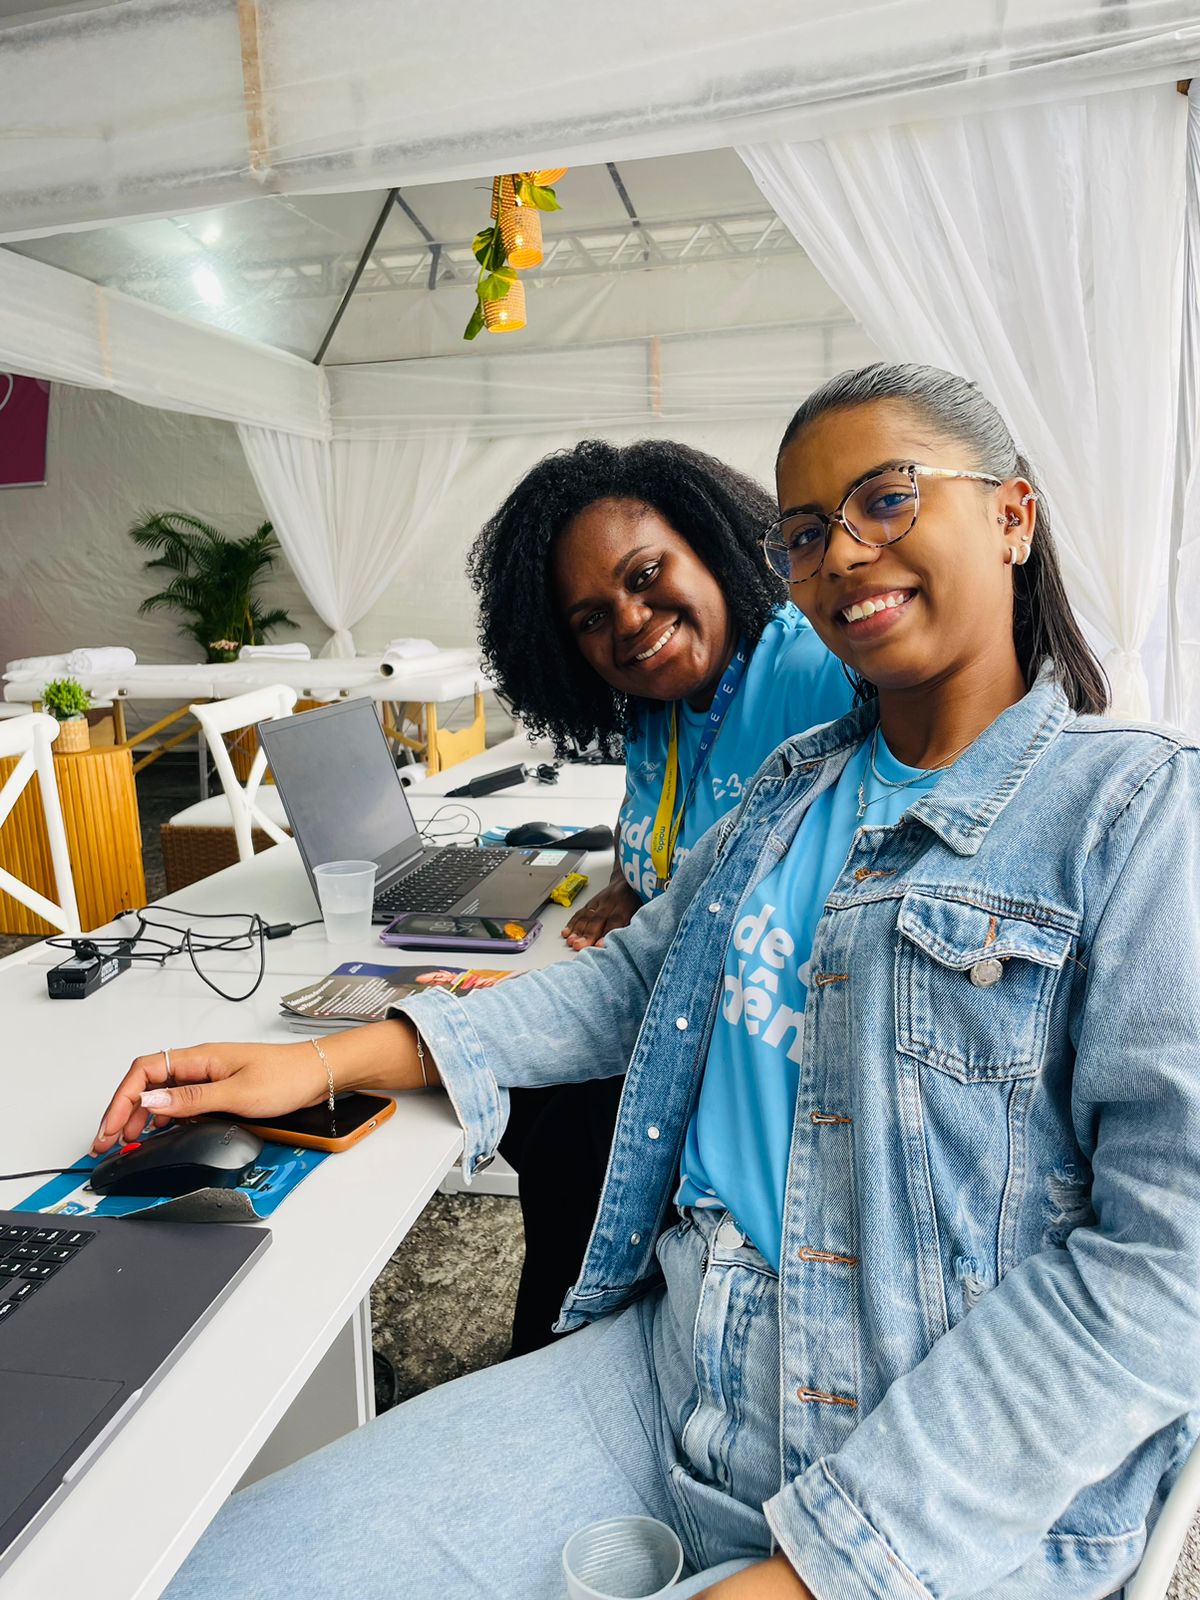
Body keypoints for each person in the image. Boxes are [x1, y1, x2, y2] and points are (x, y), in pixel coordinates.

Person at [97, 363, 1200, 1600]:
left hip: (930, 1472)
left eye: (887, 499)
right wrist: (326, 1058)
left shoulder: (1134, 812)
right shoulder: (795, 785)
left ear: (1012, 514)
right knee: (199, 1575)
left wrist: (822, 1570)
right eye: (804, 532)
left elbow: (1168, 1265)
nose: (844, 552)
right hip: (675, 1371)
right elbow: (635, 977)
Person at [469, 439, 851, 1353]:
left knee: (563, 1138)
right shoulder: (656, 702)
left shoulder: (810, 668)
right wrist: (628, 878)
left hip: (766, 1046)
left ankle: (565, 1359)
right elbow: (665, 820)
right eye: (591, 619)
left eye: (646, 576)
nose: (632, 623)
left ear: (711, 547)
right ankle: (601, 1327)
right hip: (669, 1003)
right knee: (529, 1101)